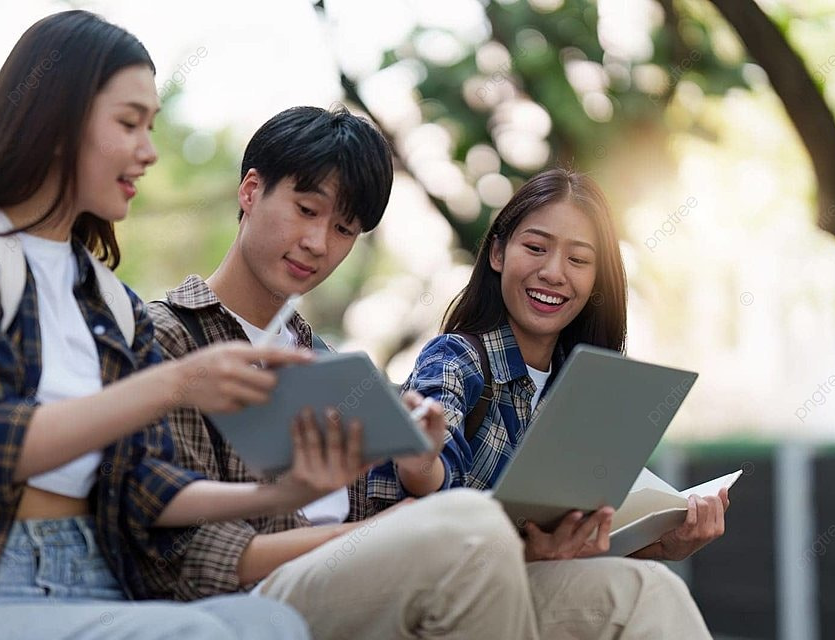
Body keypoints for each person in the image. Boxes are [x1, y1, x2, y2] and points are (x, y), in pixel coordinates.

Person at [0, 11, 365, 640]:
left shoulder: (108, 301)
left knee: (268, 623)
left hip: (97, 574)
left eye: (151, 126)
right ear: (56, 121)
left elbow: (149, 488)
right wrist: (177, 382)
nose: (148, 151)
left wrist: (286, 494)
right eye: (128, 123)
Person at [144, 105, 544, 640]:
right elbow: (186, 557)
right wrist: (370, 534)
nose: (318, 243)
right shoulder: (167, 338)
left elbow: (389, 510)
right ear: (250, 191)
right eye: (306, 209)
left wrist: (416, 463)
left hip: (359, 587)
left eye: (343, 229)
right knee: (470, 526)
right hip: (249, 604)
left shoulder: (332, 366)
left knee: (633, 589)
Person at [369, 167, 729, 638]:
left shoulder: (585, 390)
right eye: (535, 248)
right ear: (498, 252)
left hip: (520, 589)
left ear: (598, 278)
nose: (554, 273)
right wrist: (422, 460)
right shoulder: (457, 358)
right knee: (650, 593)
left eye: (579, 260)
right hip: (436, 601)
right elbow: (434, 490)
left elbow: (570, 546)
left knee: (651, 584)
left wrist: (663, 543)